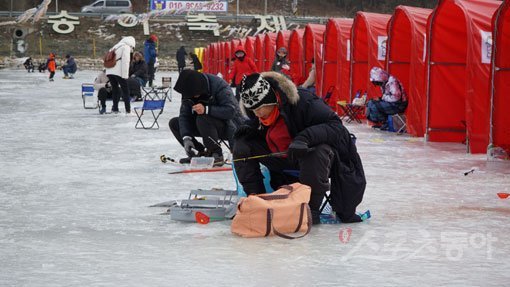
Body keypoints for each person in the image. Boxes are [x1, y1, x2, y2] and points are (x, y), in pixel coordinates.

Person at [233, 72, 366, 224]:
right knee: (242, 145)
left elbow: (337, 127)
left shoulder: (304, 101)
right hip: (282, 158)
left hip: (315, 160)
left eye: (261, 108)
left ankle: (310, 210)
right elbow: (258, 128)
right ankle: (257, 200)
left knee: (317, 152)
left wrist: (304, 138)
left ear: (273, 100)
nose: (257, 114)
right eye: (253, 111)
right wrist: (248, 129)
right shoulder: (257, 115)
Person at [169, 70, 244, 165]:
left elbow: (231, 111)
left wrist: (207, 109)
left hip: (229, 126)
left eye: (194, 94)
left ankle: (216, 153)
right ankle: (198, 152)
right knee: (175, 123)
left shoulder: (219, 85)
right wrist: (186, 138)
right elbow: (184, 116)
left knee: (202, 118)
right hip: (204, 126)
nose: (192, 97)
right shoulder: (188, 91)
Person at [105, 36, 136, 114]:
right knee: (125, 91)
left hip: (109, 71)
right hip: (118, 72)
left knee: (115, 90)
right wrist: (125, 75)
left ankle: (115, 109)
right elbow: (126, 61)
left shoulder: (115, 47)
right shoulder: (126, 47)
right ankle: (128, 110)